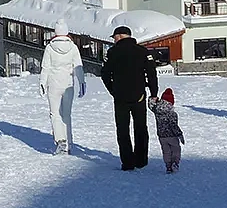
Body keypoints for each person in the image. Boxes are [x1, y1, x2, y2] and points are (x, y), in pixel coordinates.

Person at [100, 24, 160, 171]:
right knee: (140, 128)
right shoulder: (143, 51)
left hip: (120, 97)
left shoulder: (113, 52)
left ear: (119, 36)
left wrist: (112, 90)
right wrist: (153, 93)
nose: (114, 40)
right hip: (139, 95)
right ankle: (141, 160)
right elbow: (152, 74)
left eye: (114, 37)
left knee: (122, 130)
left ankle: (127, 162)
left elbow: (105, 74)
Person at [39, 26, 86, 154]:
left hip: (53, 84)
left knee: (54, 113)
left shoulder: (50, 47)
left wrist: (42, 82)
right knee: (66, 114)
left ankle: (60, 140)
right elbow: (78, 66)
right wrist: (81, 82)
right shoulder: (73, 47)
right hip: (68, 84)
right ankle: (69, 143)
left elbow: (45, 67)